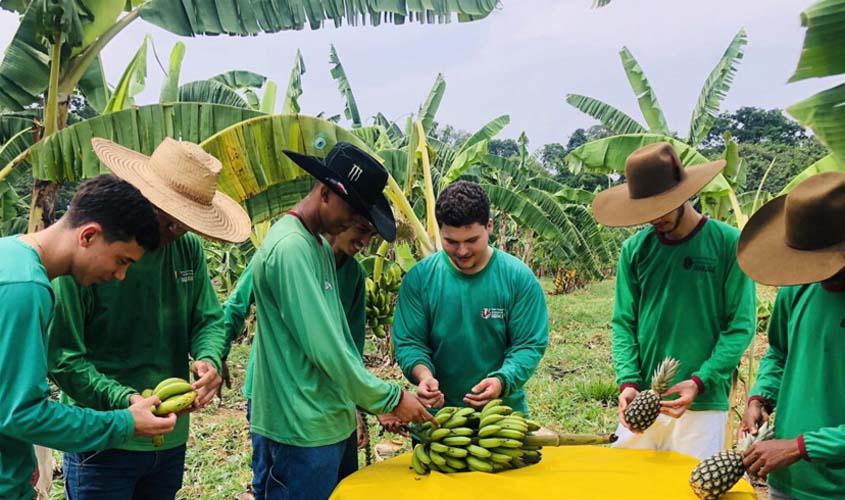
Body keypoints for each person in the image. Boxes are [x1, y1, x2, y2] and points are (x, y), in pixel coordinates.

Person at [47, 138, 252, 499]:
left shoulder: (186, 249)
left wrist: (209, 357)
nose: (177, 233)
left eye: (187, 225)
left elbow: (208, 320)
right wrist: (126, 402)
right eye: (169, 221)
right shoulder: (87, 259)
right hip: (104, 438)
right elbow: (64, 358)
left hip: (168, 437)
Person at [249, 142, 434, 499]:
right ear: (324, 193)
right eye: (352, 211)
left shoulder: (316, 247)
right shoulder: (289, 249)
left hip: (325, 422)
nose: (353, 223)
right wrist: (390, 397)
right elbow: (328, 349)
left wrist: (366, 402)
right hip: (299, 427)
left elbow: (342, 342)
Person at [0, 175, 177, 500]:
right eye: (122, 261)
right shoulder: (27, 288)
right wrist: (124, 423)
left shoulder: (9, 257)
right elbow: (21, 413)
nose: (120, 275)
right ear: (89, 235)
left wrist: (20, 457)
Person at [594, 142, 756, 459]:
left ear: (684, 194)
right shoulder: (635, 250)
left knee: (689, 488)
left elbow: (740, 326)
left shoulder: (727, 244)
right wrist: (628, 382)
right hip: (641, 400)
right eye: (646, 210)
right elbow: (623, 322)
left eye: (662, 206)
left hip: (702, 403)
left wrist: (700, 380)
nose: (654, 218)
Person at [224, 220, 403, 498]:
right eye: (361, 230)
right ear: (342, 216)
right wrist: (215, 355)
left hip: (328, 402)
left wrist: (358, 405)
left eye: (371, 235)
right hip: (274, 395)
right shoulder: (288, 252)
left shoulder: (353, 275)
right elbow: (235, 307)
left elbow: (350, 348)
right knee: (268, 480)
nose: (364, 241)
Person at [392, 180, 549, 413]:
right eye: (451, 242)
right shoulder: (420, 279)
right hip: (438, 417)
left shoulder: (518, 279)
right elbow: (409, 342)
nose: (462, 251)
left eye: (472, 240)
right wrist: (423, 375)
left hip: (502, 417)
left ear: (490, 226)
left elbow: (527, 344)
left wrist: (502, 380)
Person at [737, 172, 845, 500]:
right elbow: (780, 351)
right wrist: (760, 397)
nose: (816, 273)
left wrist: (800, 446)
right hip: (788, 480)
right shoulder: (800, 286)